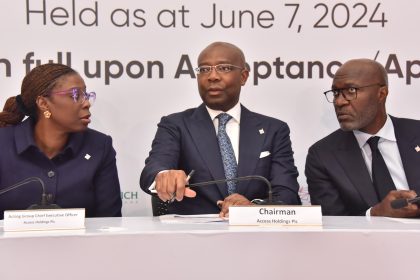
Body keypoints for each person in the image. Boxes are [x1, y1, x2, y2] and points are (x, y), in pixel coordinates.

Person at [140, 42, 300, 217]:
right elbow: (153, 168)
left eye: (224, 68)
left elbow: (287, 193)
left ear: (244, 76)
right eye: (204, 69)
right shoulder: (176, 125)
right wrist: (163, 175)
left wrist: (253, 207)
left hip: (256, 237)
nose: (212, 76)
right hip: (192, 239)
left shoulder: (274, 130)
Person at [0, 63, 122, 219]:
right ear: (43, 103)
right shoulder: (3, 144)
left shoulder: (99, 146)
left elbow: (110, 222)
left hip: (81, 244)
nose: (86, 103)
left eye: (86, 95)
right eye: (75, 95)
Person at [305, 58, 420, 217]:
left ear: (381, 93)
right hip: (364, 241)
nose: (339, 101)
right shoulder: (323, 155)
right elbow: (332, 223)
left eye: (351, 90)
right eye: (336, 93)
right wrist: (375, 214)